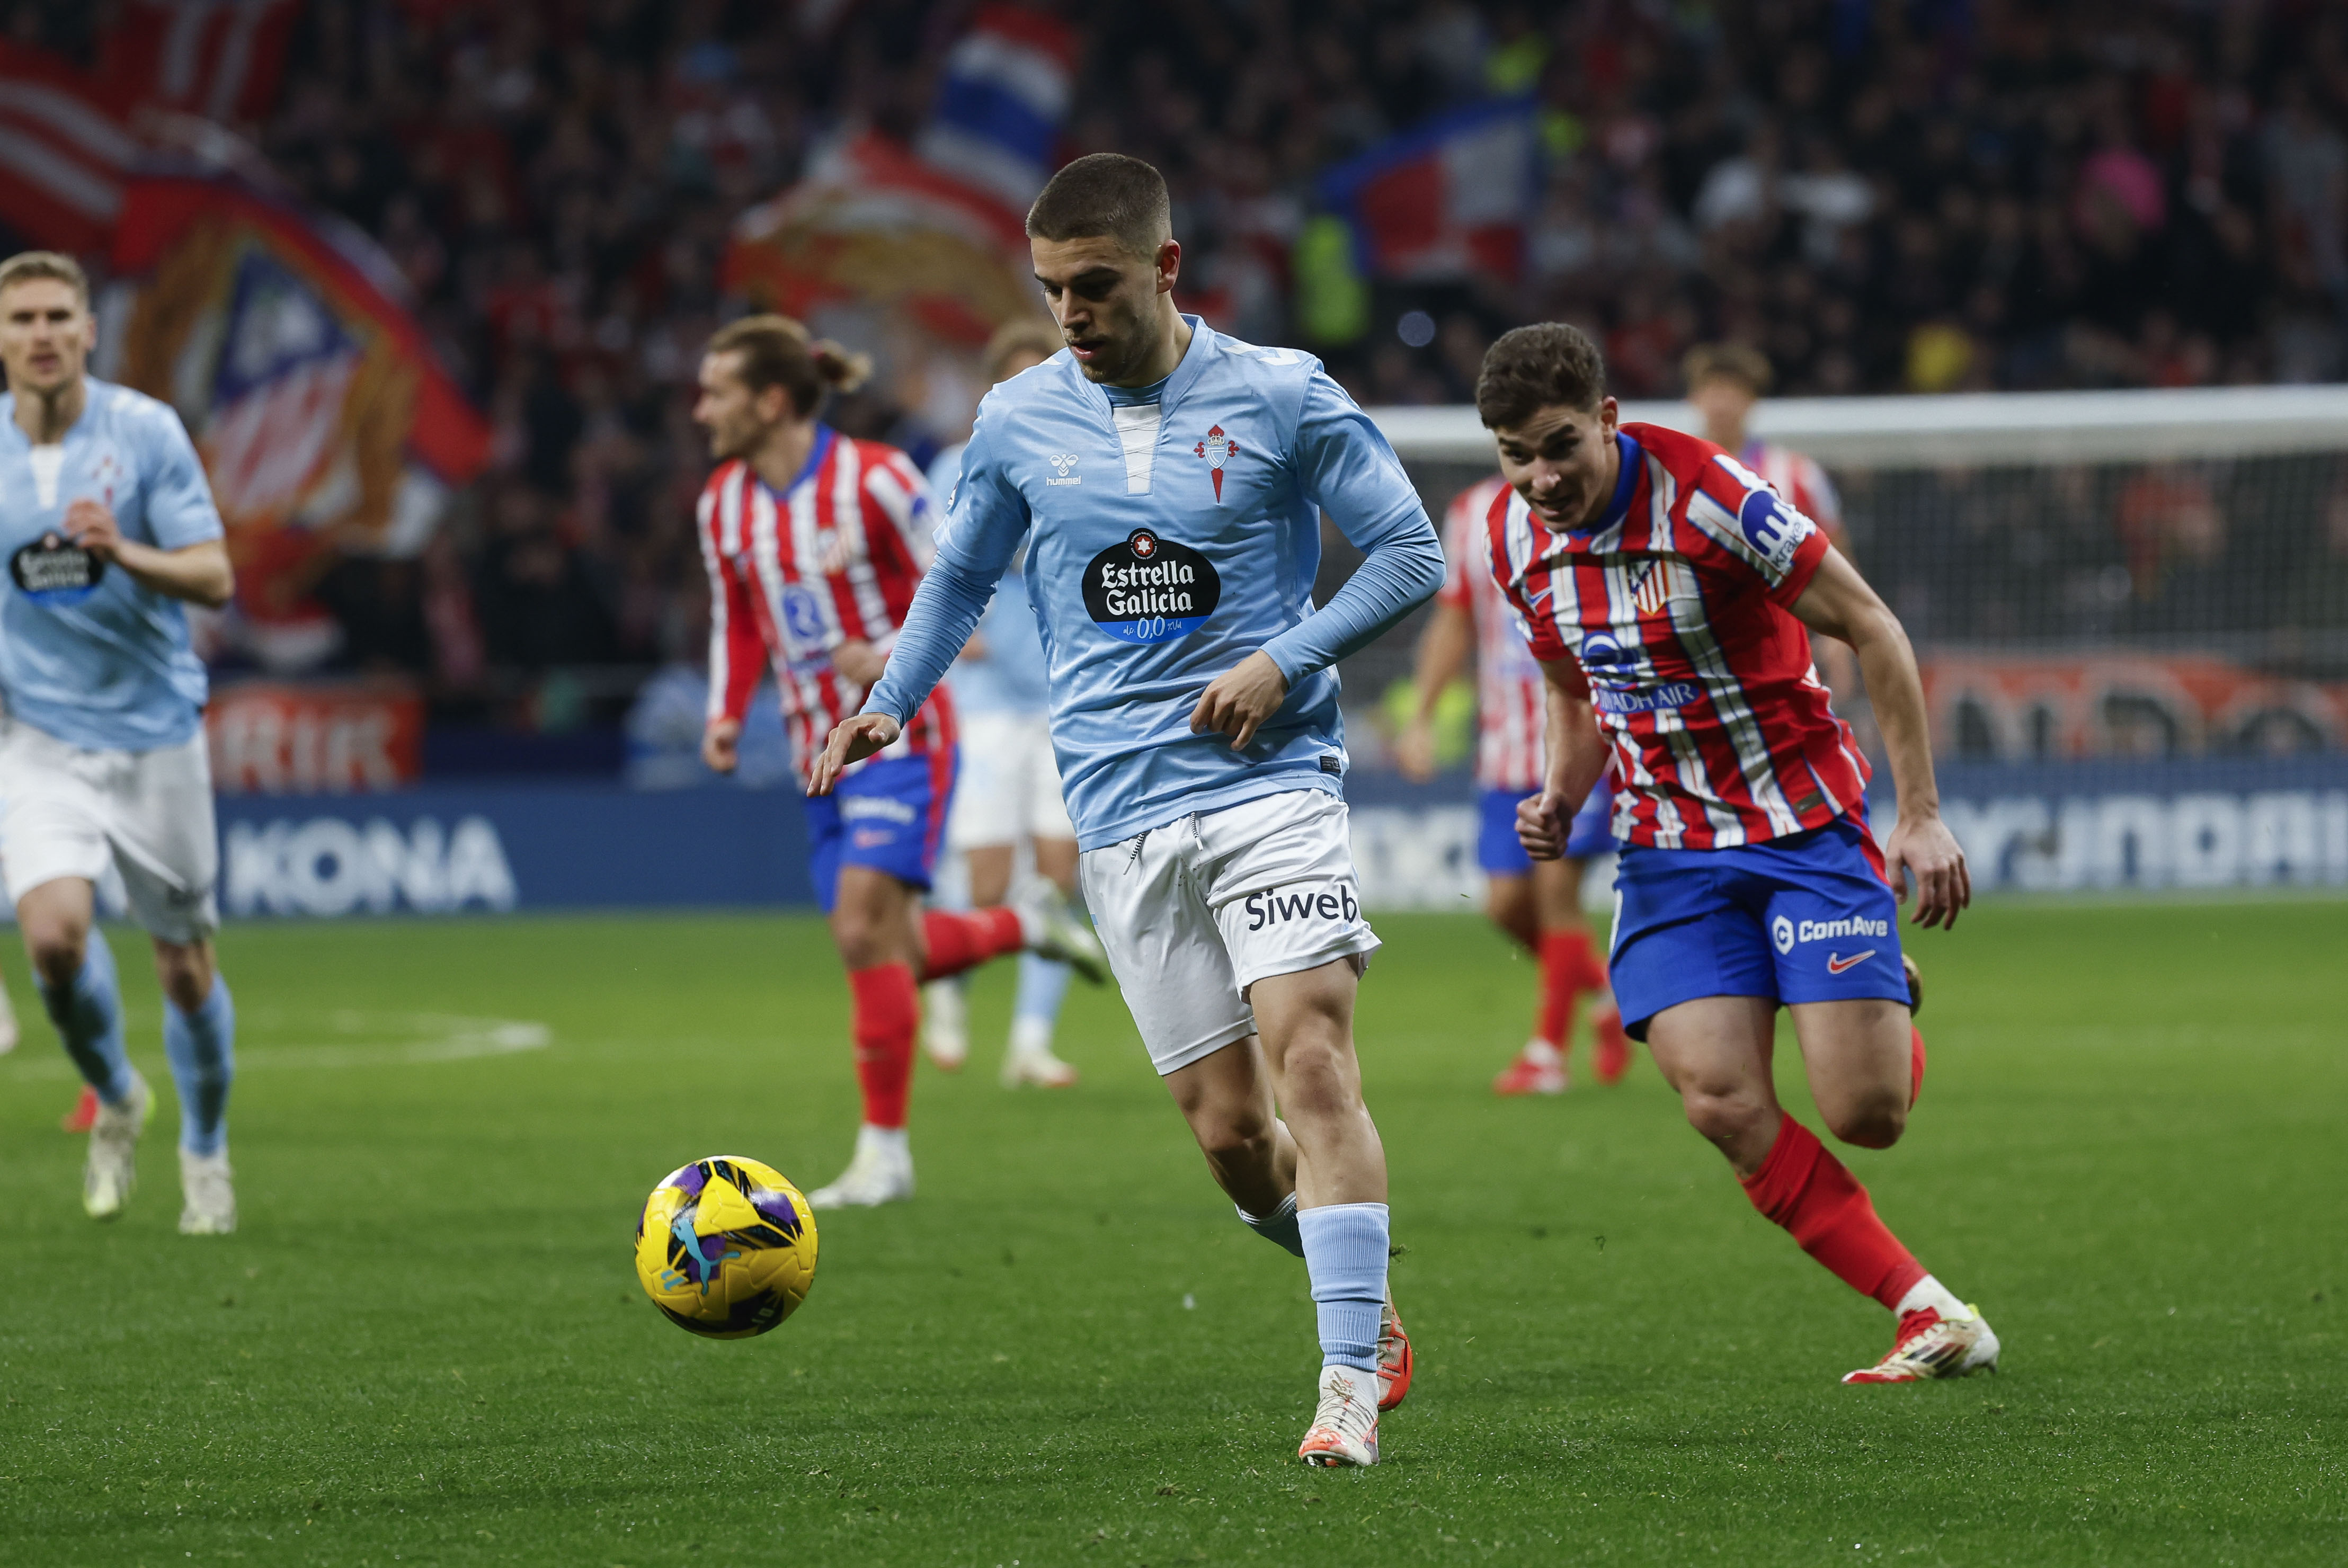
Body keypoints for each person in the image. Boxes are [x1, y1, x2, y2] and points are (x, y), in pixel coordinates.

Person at [813, 154, 1445, 1467]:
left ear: (1164, 267)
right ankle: (1358, 1291)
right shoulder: (1015, 418)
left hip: (1270, 782)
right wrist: (890, 700)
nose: (1070, 313)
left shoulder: (1282, 392)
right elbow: (959, 579)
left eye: (1094, 285)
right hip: (1118, 807)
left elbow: (1410, 552)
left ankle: (1342, 1381)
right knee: (1232, 1137)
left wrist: (1285, 659)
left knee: (1311, 1059)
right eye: (1051, 289)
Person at [1482, 322, 1997, 1384]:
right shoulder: (1511, 537)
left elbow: (1873, 627)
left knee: (1866, 1116)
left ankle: (1880, 992)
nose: (1540, 478)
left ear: (1608, 421)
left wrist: (1918, 814)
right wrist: (1562, 794)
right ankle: (1926, 1309)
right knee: (1719, 1100)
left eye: (1559, 446)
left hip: (1799, 825)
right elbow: (1574, 687)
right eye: (1515, 456)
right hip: (1667, 849)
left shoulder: (1712, 498)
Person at [692, 314, 1106, 1211]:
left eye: (716, 392)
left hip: (899, 735)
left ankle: (884, 1157)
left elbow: (955, 581)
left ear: (770, 401)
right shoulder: (722, 503)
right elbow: (739, 620)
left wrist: (886, 658)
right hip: (813, 752)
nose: (701, 410)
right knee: (895, 949)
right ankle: (1026, 927)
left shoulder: (875, 479)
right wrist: (725, 714)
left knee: (858, 930)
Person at [0, 251, 239, 1233]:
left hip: (153, 736)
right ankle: (117, 1096)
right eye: (22, 319)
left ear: (89, 331)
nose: (42, 335)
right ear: (1, 339)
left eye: (59, 316)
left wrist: (124, 552)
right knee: (54, 940)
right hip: (38, 738)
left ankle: (205, 1151)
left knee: (184, 966)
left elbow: (216, 576)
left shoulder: (144, 432)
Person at [1397, 474, 1631, 1094]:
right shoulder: (1470, 512)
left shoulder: (1595, 497)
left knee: (1557, 894)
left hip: (1581, 735)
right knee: (1505, 905)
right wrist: (1421, 716)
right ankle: (1605, 993)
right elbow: (1454, 621)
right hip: (1505, 745)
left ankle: (1546, 1054)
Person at [921, 318, 1088, 1088]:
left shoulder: (1081, 466)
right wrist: (959, 631)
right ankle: (947, 985)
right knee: (988, 882)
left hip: (1065, 695)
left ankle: (1029, 1042)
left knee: (1059, 872)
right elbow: (934, 568)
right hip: (986, 701)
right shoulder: (956, 467)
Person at [1684, 343, 1872, 747]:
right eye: (1713, 390)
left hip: (1785, 660)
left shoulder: (1798, 476)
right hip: (1694, 656)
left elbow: (1838, 560)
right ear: (1694, 399)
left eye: (1732, 391)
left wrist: (1841, 638)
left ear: (1752, 400)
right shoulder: (1671, 476)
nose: (1722, 403)